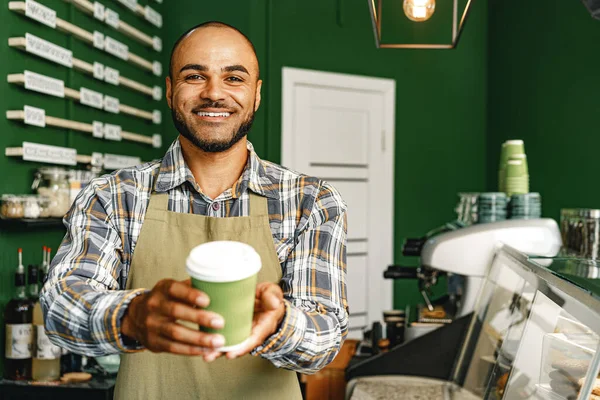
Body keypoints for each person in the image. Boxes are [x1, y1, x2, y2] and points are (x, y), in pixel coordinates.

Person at [40, 21, 348, 399]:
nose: (214, 93)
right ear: (171, 91)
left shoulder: (310, 201)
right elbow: (59, 307)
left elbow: (325, 340)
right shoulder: (112, 196)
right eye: (194, 76)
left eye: (234, 78)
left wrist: (278, 323)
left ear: (257, 94)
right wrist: (133, 315)